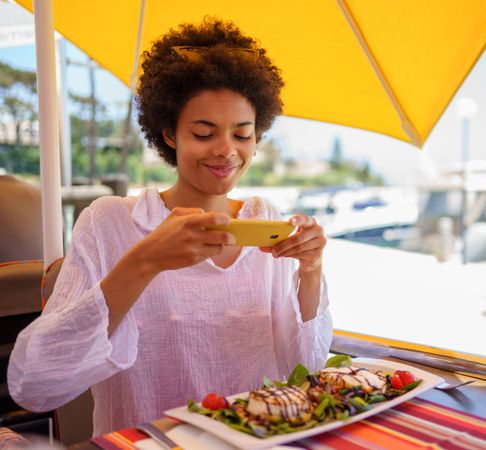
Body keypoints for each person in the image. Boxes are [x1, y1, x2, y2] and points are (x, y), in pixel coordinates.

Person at [8, 18, 332, 435]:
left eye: (242, 134)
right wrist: (145, 260)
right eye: (203, 132)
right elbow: (34, 385)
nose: (226, 151)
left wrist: (311, 270)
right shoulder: (111, 222)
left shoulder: (263, 219)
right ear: (169, 134)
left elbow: (306, 370)